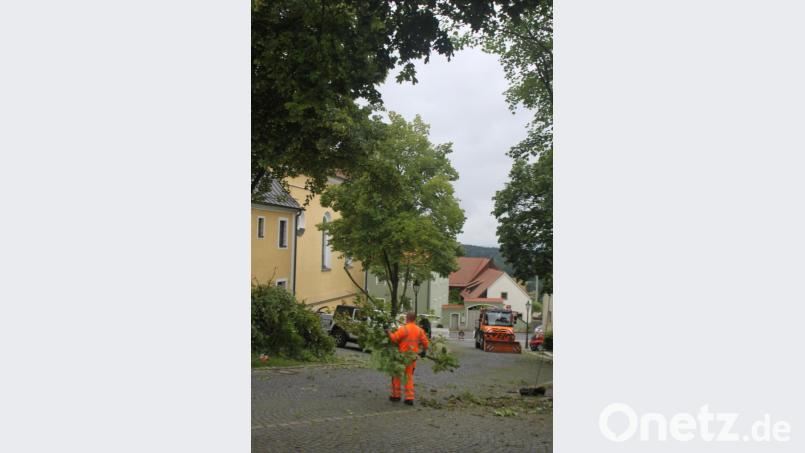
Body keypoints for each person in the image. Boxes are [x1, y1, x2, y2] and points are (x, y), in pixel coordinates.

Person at [387, 312, 429, 406]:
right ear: (414, 319)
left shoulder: (404, 329)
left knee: (397, 375)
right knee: (408, 376)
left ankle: (396, 396)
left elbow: (394, 338)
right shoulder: (419, 330)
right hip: (412, 357)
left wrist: (388, 332)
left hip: (401, 356)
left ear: (407, 318)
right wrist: (424, 351)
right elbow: (425, 342)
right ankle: (409, 398)